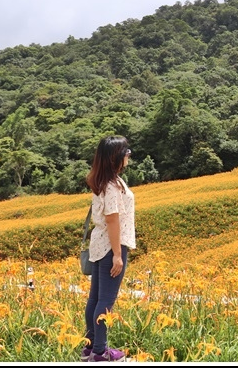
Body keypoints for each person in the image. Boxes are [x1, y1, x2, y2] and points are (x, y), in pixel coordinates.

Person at [82, 136, 136, 362]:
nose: (129, 155)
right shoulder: (112, 187)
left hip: (99, 246)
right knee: (105, 301)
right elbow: (113, 220)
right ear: (116, 157)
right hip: (111, 247)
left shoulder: (103, 181)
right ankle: (100, 352)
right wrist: (117, 255)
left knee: (95, 299)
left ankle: (89, 347)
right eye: (127, 152)